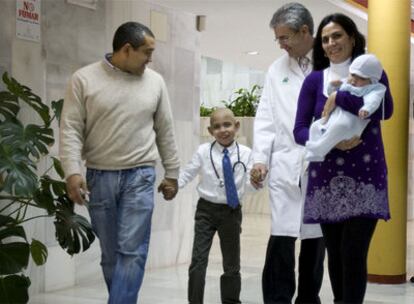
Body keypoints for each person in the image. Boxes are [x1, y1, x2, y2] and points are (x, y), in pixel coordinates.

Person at [59, 22, 180, 304]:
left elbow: (166, 129)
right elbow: (71, 128)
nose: (151, 59)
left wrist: (172, 172)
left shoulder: (155, 82)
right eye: (147, 52)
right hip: (99, 177)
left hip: (140, 176)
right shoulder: (83, 79)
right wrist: (72, 172)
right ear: (126, 49)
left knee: (132, 251)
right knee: (111, 254)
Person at [293, 13, 393, 304]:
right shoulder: (314, 80)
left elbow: (386, 111)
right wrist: (329, 142)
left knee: (353, 252)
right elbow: (299, 129)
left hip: (366, 175)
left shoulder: (374, 72)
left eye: (337, 35)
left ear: (352, 36)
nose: (331, 43)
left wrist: (340, 98)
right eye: (325, 39)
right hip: (326, 176)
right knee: (335, 255)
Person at [250, 3, 325, 304]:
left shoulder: (332, 63)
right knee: (281, 236)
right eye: (278, 38)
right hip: (285, 163)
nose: (281, 44)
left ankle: (308, 299)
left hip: (319, 164)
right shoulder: (276, 69)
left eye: (285, 37)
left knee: (314, 240)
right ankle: (277, 299)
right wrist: (259, 159)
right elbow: (266, 118)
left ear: (305, 32)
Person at [179, 108, 252, 304]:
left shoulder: (245, 154)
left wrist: (257, 180)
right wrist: (173, 184)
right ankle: (195, 301)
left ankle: (230, 300)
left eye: (227, 124)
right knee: (198, 261)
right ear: (210, 131)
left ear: (236, 126)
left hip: (231, 212)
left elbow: (251, 185)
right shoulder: (204, 151)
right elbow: (188, 173)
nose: (223, 130)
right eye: (217, 127)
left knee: (231, 263)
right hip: (206, 211)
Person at [305, 53, 386, 162]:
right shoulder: (348, 82)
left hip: (352, 123)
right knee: (316, 125)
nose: (354, 80)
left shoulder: (374, 89)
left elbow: (374, 101)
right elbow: (332, 94)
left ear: (372, 81)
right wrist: (333, 86)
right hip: (337, 117)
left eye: (361, 78)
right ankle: (315, 154)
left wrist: (367, 109)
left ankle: (319, 148)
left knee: (339, 126)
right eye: (352, 74)